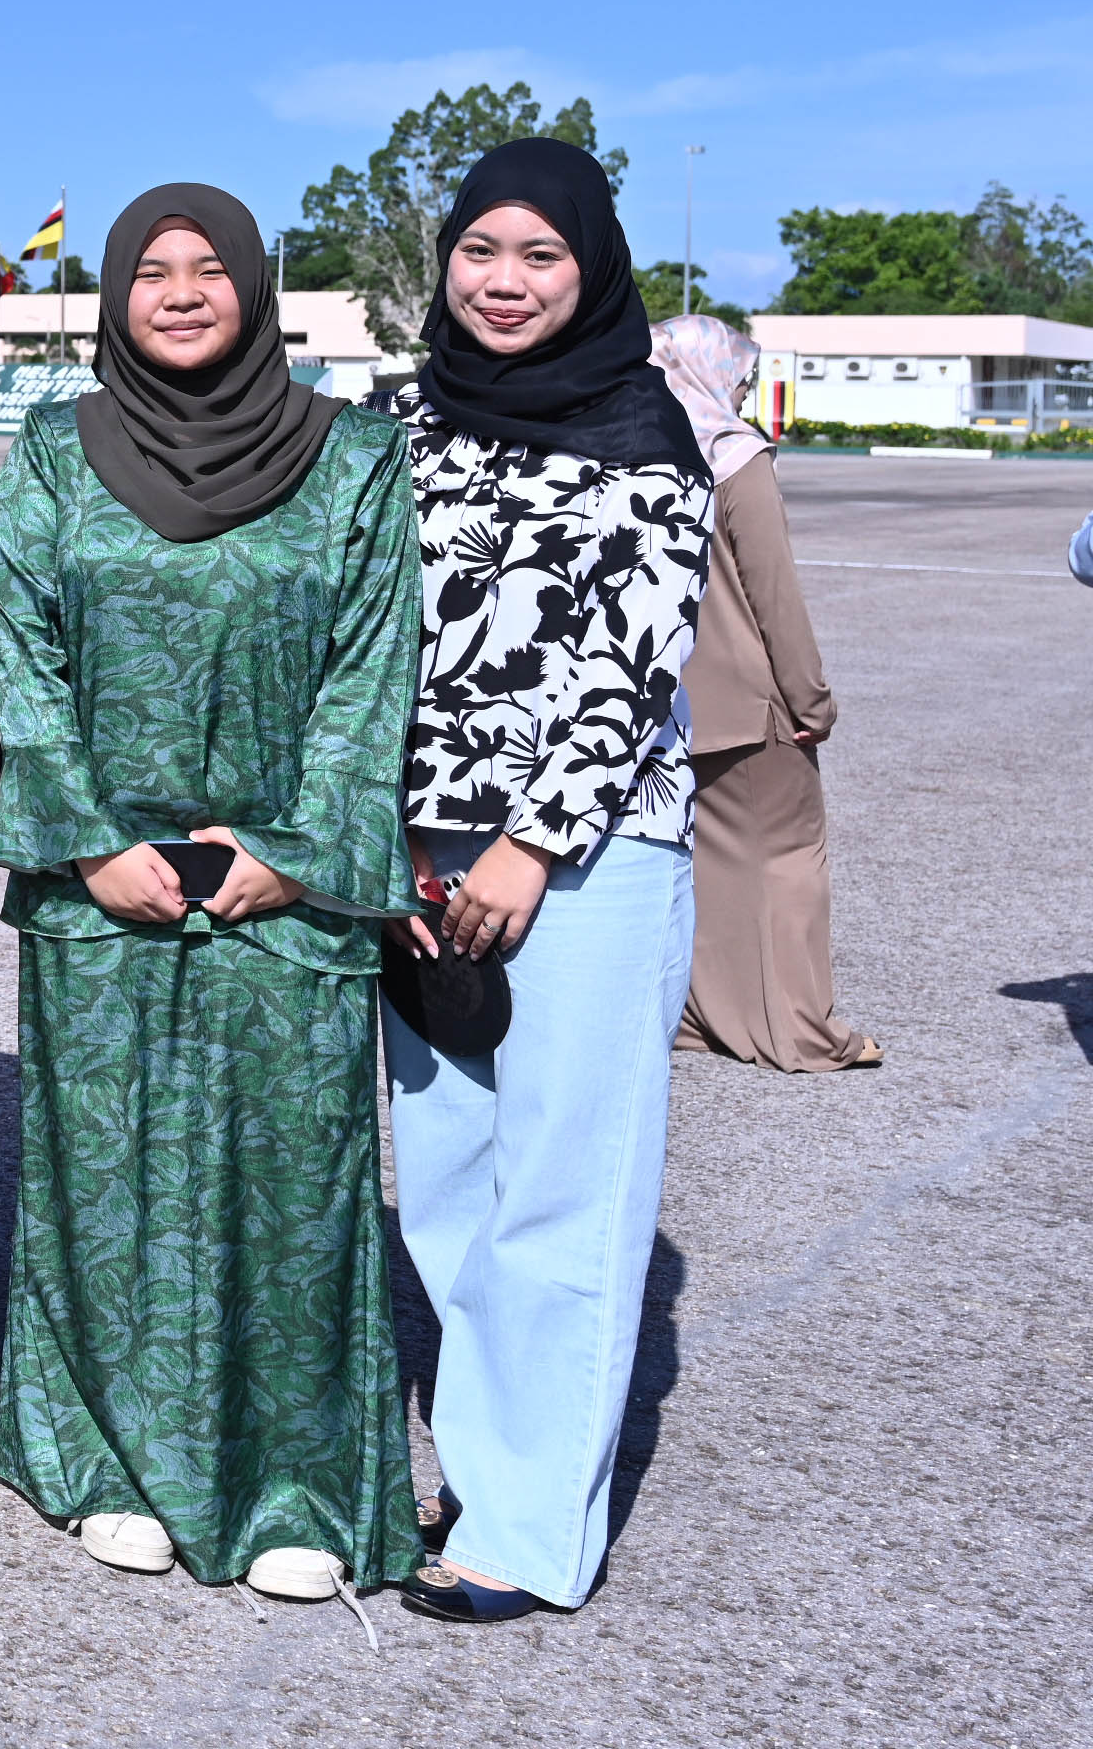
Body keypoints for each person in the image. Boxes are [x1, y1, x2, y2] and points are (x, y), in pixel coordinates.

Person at [0, 187, 422, 1599]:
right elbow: (22, 651)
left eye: (209, 267)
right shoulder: (58, 449)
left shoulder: (355, 459)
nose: (180, 292)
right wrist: (86, 840)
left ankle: (292, 1485)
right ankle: (110, 1462)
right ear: (117, 295)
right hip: (102, 884)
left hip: (281, 884)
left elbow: (374, 665)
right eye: (152, 271)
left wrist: (295, 848)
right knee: (105, 1183)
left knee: (290, 1184)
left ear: (255, 285)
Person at [378, 140, 715, 1626]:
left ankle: (525, 1527)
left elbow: (632, 659)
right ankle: (487, 1459)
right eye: (480, 252)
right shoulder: (408, 425)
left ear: (592, 270)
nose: (504, 283)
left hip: (586, 856)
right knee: (449, 1182)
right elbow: (368, 638)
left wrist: (531, 840)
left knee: (562, 1186)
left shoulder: (646, 431)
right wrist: (388, 834)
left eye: (540, 257)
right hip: (418, 853)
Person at [649, 316, 875, 1073]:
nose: (745, 390)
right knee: (789, 857)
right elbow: (774, 594)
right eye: (741, 376)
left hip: (663, 703)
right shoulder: (735, 457)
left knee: (704, 865)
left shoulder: (634, 449)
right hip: (751, 703)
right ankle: (803, 1031)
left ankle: (704, 1017)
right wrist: (812, 702)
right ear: (712, 375)